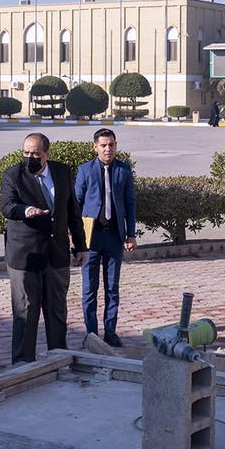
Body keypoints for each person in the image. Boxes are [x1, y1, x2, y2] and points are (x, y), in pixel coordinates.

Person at [0, 133, 86, 364]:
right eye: (26, 153)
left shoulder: (62, 172)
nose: (30, 157)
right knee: (25, 312)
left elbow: (72, 211)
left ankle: (58, 359)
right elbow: (7, 206)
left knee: (57, 311)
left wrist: (80, 245)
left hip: (56, 254)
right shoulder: (13, 175)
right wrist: (26, 210)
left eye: (36, 154)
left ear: (46, 154)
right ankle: (22, 364)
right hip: (25, 256)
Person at [74, 129, 137, 346]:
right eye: (103, 145)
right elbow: (76, 205)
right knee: (89, 289)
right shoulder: (85, 170)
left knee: (112, 287)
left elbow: (130, 203)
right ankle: (92, 335)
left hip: (114, 237)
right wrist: (75, 237)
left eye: (111, 145)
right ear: (95, 147)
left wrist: (131, 234)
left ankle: (110, 331)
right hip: (91, 239)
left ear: (116, 145)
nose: (107, 149)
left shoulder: (124, 170)